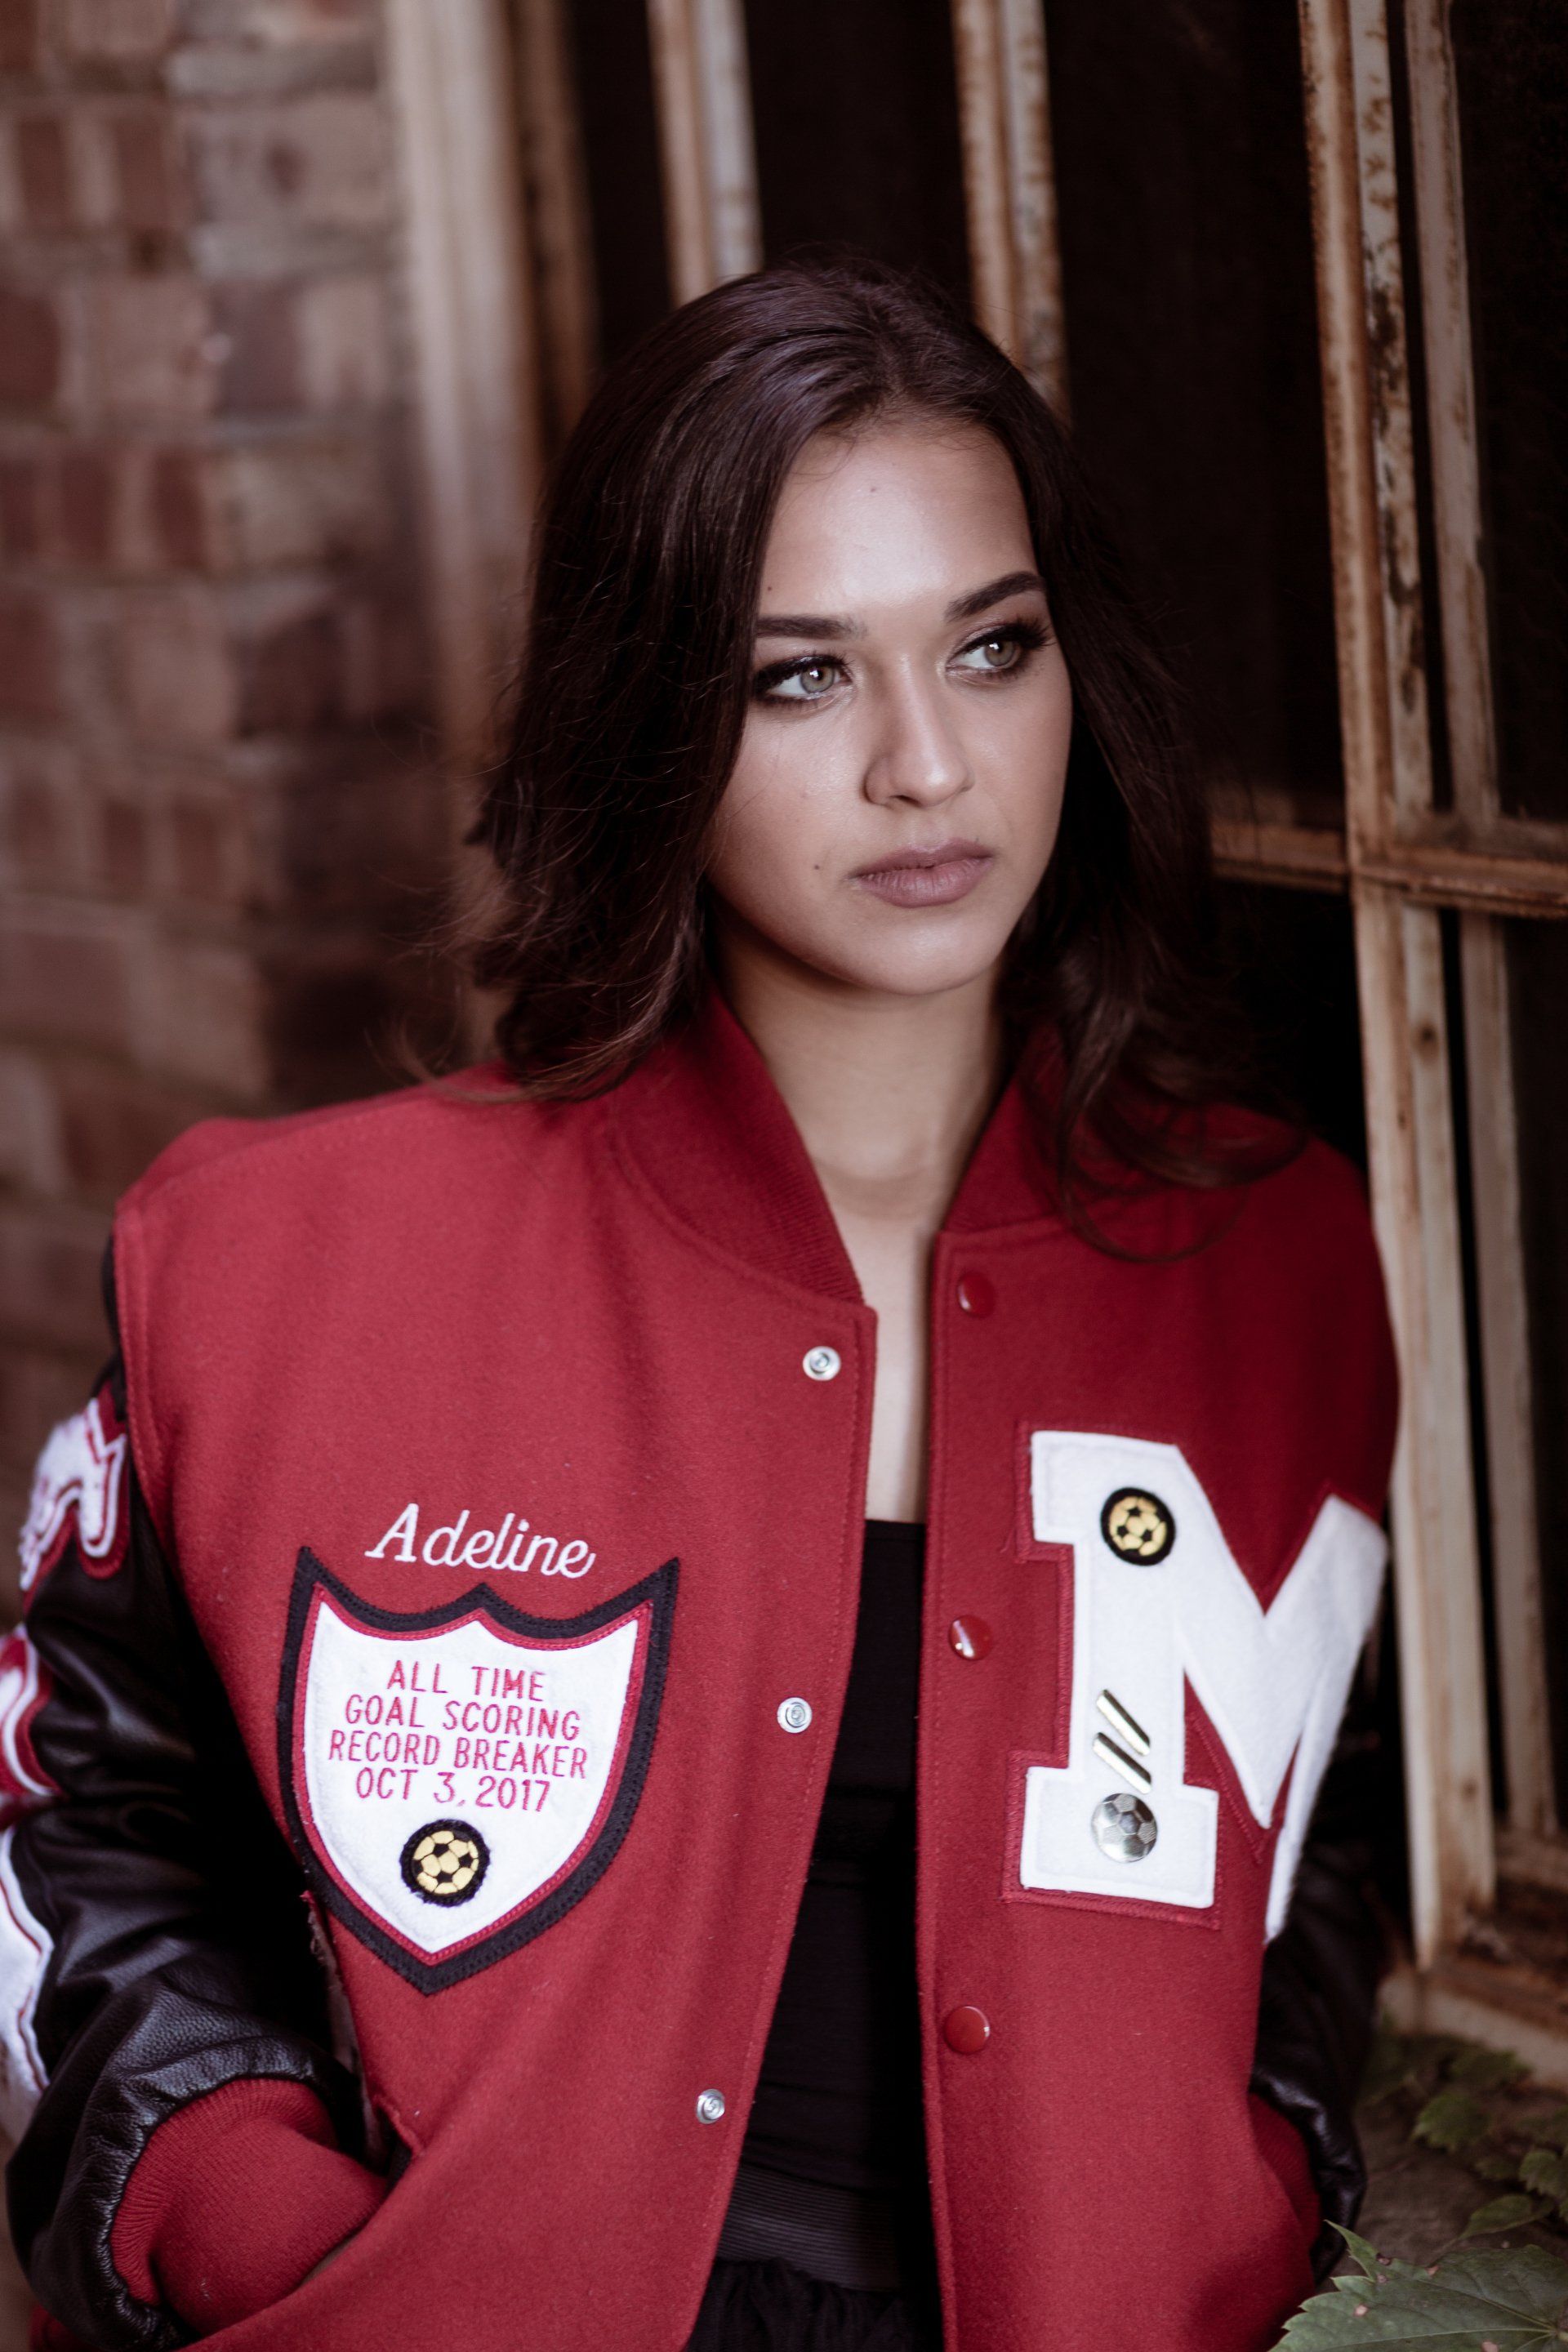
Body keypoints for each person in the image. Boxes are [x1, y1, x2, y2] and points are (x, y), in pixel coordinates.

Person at [1, 259, 1396, 2352]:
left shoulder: (1273, 1253)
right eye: (800, 680)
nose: (928, 767)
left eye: (990, 649)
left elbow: (1328, 1805)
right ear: (650, 713)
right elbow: (81, 1812)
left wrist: (1259, 2168)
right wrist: (234, 2214)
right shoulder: (283, 1262)